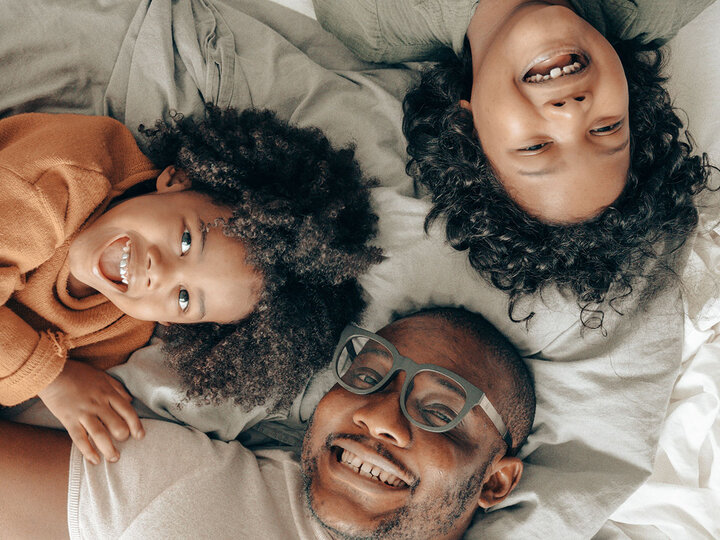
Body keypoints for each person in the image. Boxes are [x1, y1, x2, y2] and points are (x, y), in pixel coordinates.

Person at [0, 106, 381, 466]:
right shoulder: (64, 177)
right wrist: (53, 378)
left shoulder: (122, 332)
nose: (159, 274)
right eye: (186, 241)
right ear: (178, 179)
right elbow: (39, 378)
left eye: (184, 299)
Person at [312, 0, 716, 325]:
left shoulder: (369, 18)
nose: (571, 112)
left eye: (537, 148)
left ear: (465, 128)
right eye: (607, 128)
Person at [0, 307, 535, 539]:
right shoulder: (192, 488)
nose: (376, 417)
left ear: (494, 481)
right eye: (365, 377)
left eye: (440, 412)